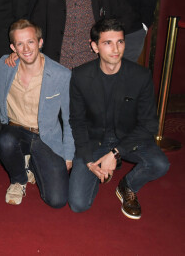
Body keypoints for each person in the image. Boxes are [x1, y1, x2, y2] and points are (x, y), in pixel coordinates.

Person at [68, 18, 169, 219]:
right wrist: (89, 162)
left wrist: (115, 153)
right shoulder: (79, 76)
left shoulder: (140, 76)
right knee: (78, 205)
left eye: (120, 42)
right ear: (95, 47)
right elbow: (77, 122)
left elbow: (149, 124)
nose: (116, 49)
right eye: (108, 43)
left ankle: (128, 185)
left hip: (128, 139)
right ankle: (100, 172)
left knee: (160, 164)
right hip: (95, 141)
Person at [0, 20, 73, 207]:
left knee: (57, 201)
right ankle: (19, 179)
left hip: (45, 137)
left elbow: (70, 119)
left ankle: (29, 162)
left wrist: (68, 156)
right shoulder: (6, 66)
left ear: (40, 42)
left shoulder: (61, 74)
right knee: (4, 140)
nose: (26, 48)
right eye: (20, 44)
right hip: (14, 132)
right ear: (13, 47)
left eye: (30, 42)